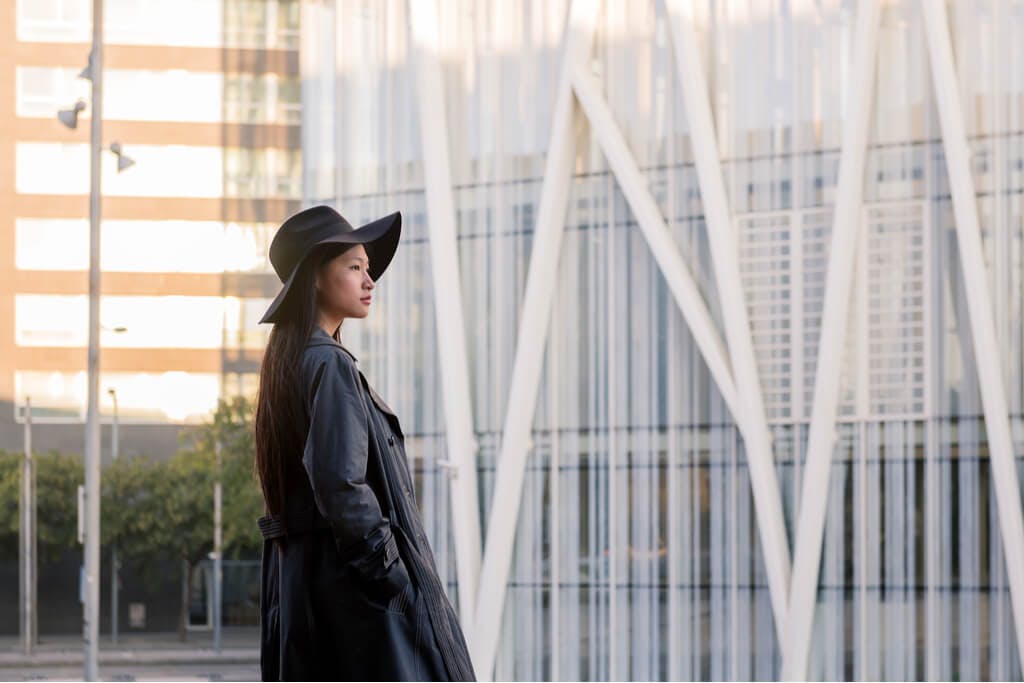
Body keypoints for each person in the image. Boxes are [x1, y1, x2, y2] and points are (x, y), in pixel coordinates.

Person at [253, 205, 476, 681]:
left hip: (307, 593)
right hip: (355, 604)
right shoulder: (329, 365)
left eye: (367, 270)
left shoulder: (288, 366)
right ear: (315, 277)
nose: (369, 281)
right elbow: (341, 485)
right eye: (355, 267)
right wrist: (393, 576)